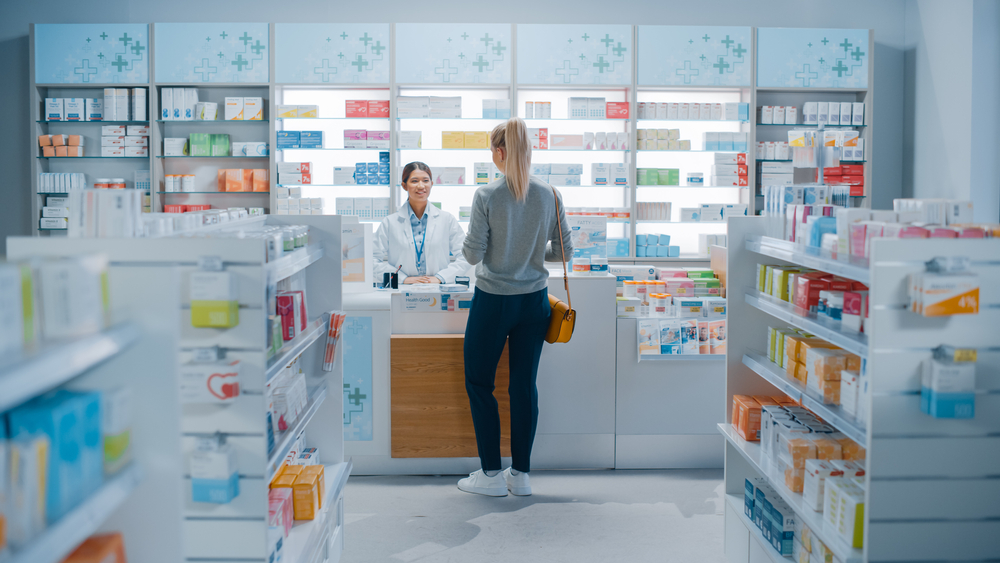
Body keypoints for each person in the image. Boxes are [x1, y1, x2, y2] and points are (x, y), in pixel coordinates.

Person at [458, 117, 573, 497]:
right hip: (534, 303)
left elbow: (472, 255)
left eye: (492, 151)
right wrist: (529, 253)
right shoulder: (550, 194)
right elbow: (564, 252)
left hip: (493, 302)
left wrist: (499, 248)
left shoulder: (487, 195)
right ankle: (520, 475)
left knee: (479, 383)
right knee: (523, 386)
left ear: (501, 152)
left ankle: (490, 475)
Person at [373, 162, 470, 285]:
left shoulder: (447, 220)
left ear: (432, 184)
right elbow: (371, 259)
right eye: (414, 181)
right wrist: (401, 278)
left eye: (425, 180)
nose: (421, 186)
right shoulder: (389, 223)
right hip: (403, 289)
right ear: (404, 185)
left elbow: (466, 256)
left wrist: (441, 277)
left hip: (437, 288)